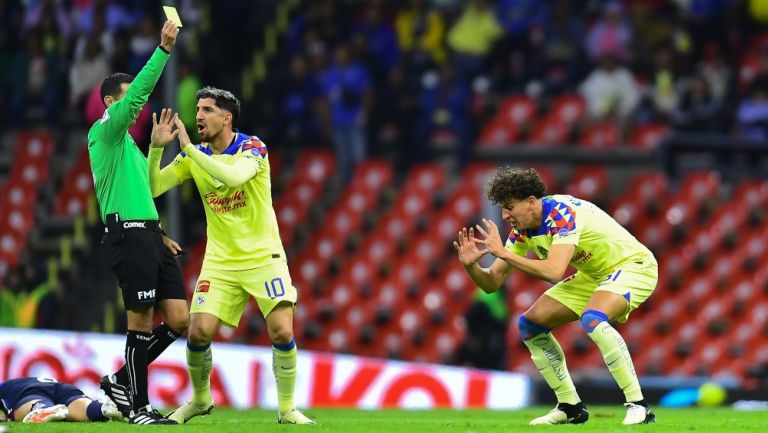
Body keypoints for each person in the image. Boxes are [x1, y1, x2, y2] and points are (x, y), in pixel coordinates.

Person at [145, 88, 314, 425]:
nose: (199, 116)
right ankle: (200, 400)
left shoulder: (253, 147)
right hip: (220, 261)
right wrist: (155, 150)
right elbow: (154, 187)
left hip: (263, 256)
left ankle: (286, 409)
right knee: (198, 332)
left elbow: (234, 176)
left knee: (281, 331)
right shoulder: (194, 155)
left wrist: (190, 150)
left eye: (207, 110)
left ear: (227, 117)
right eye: (197, 109)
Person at [453, 167, 657, 426]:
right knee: (530, 324)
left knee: (592, 319)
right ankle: (570, 407)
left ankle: (639, 406)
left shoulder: (562, 214)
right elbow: (492, 283)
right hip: (594, 275)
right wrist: (472, 267)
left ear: (530, 202)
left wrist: (504, 253)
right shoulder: (523, 231)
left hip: (632, 266)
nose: (505, 215)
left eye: (509, 207)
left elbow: (553, 271)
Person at [87, 20, 189, 425]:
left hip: (147, 232)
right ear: (112, 102)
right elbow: (137, 98)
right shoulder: (104, 133)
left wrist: (158, 231)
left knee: (179, 319)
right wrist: (163, 51)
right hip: (125, 234)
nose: (138, 106)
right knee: (141, 320)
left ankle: (118, 380)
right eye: (129, 100)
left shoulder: (127, 142)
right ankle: (139, 407)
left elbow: (146, 190)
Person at [0, 377, 123, 423]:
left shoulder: (4, 387)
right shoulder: (20, 381)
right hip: (62, 388)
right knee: (86, 409)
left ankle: (43, 408)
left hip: (31, 391)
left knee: (31, 405)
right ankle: (103, 408)